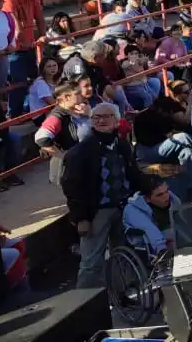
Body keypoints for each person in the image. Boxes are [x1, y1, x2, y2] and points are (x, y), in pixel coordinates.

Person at [62, 103, 148, 288]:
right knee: (91, 263)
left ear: (117, 121)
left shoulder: (122, 145)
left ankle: (125, 293)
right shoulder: (80, 152)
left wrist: (150, 189)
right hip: (96, 212)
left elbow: (133, 173)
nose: (100, 120)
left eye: (105, 116)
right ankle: (84, 304)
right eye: (96, 117)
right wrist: (81, 218)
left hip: (123, 207)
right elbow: (72, 186)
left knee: (125, 254)